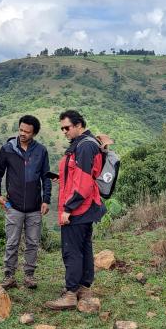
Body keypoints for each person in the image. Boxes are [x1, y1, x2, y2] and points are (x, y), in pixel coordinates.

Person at [44, 110, 114, 311]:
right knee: (84, 247)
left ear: (79, 125)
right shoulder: (87, 144)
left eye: (67, 127)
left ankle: (70, 293)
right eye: (62, 128)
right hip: (86, 206)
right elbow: (81, 175)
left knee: (71, 249)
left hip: (79, 208)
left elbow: (83, 183)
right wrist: (63, 177)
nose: (64, 132)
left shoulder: (84, 147)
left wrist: (68, 208)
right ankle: (84, 287)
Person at [0, 115, 51, 289]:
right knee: (12, 242)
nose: (23, 133)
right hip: (13, 206)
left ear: (34, 133)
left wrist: (46, 200)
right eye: (21, 129)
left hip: (34, 207)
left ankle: (29, 276)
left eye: (27, 131)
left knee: (33, 242)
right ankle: (9, 276)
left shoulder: (41, 151)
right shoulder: (8, 149)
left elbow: (46, 177)